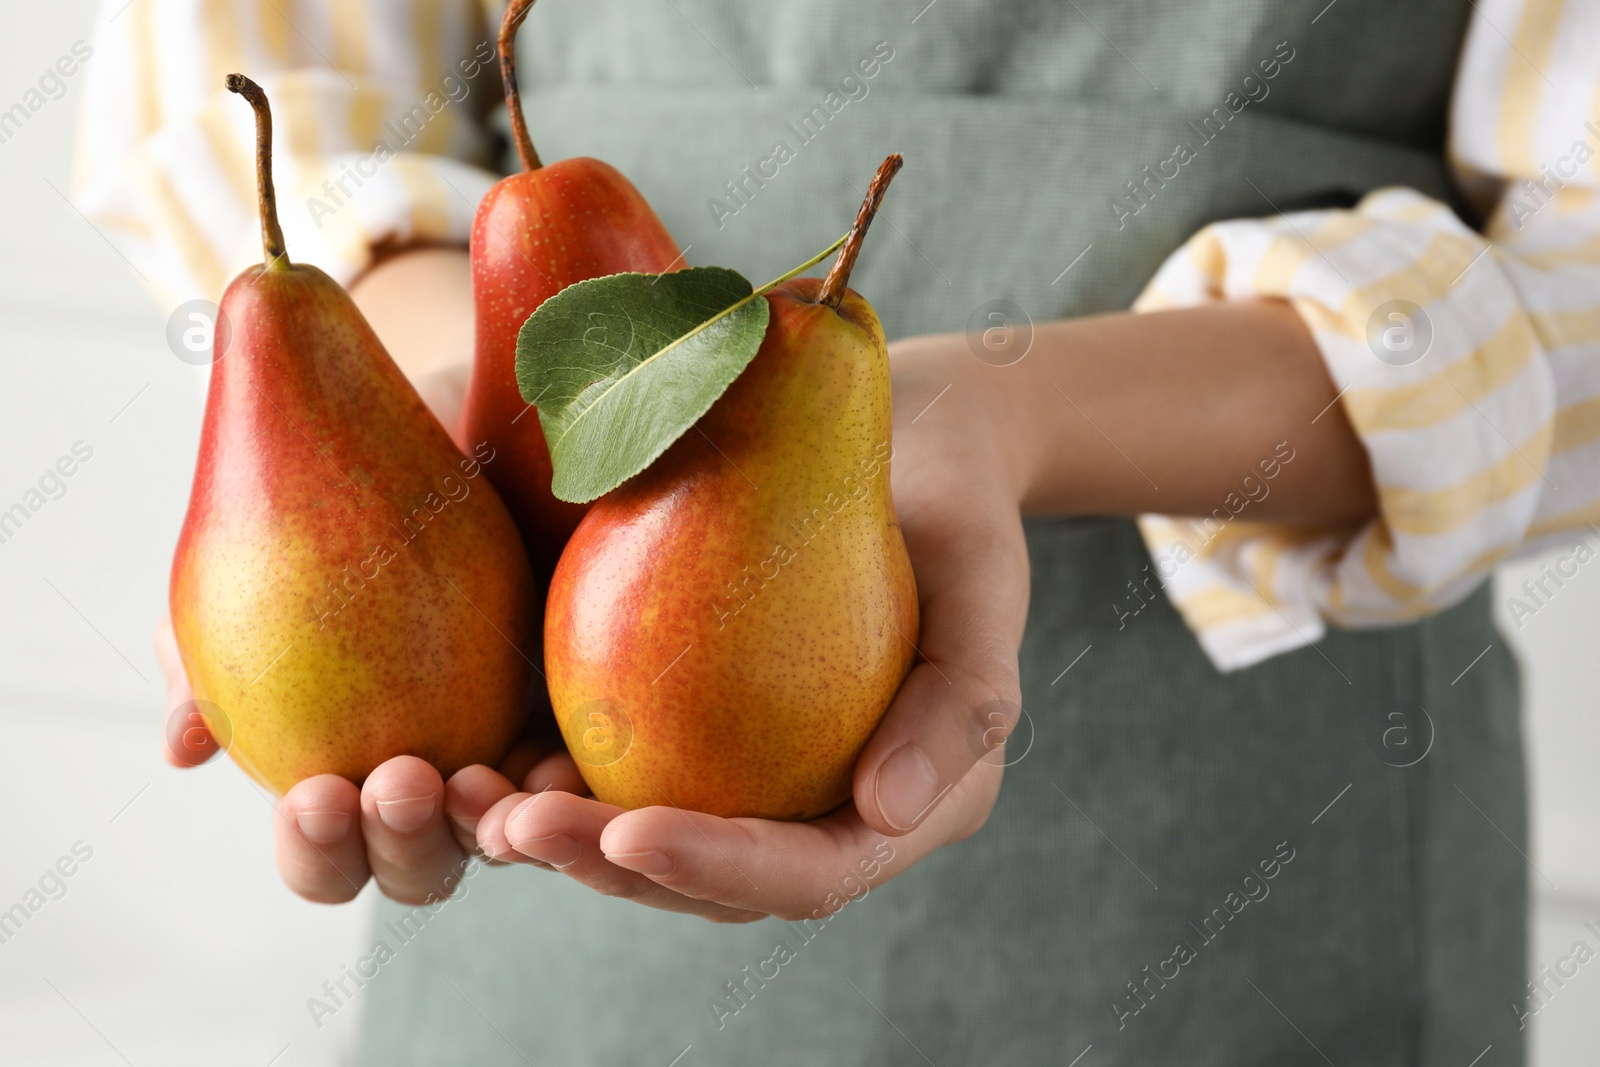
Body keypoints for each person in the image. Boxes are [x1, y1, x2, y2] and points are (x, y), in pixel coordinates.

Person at [82, 0, 1599, 1061]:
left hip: (1263, 868)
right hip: (542, 881)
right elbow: (227, 87)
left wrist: (1010, 413)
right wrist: (405, 461)